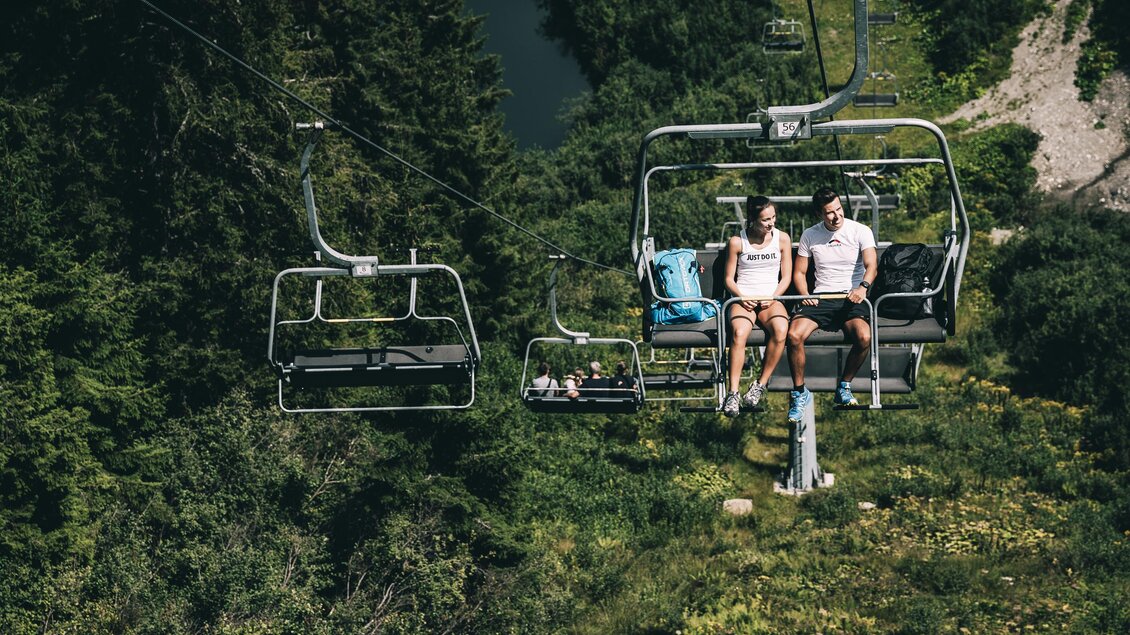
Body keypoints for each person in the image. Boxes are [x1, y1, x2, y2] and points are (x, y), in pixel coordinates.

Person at [786, 187, 878, 422]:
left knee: (864, 337)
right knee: (794, 335)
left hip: (851, 297)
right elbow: (799, 272)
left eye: (838, 209)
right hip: (821, 297)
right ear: (820, 214)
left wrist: (862, 288)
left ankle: (844, 386)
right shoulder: (810, 235)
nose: (836, 215)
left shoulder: (860, 230)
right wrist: (805, 293)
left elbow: (871, 266)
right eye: (829, 213)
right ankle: (799, 392)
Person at [722, 195, 793, 417]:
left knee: (781, 330)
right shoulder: (737, 242)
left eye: (773, 218)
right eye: (765, 220)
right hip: (743, 299)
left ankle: (759, 385)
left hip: (770, 299)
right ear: (753, 219)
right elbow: (728, 279)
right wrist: (742, 298)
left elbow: (787, 276)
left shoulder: (782, 239)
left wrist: (773, 297)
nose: (771, 223)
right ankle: (732, 392)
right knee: (739, 332)